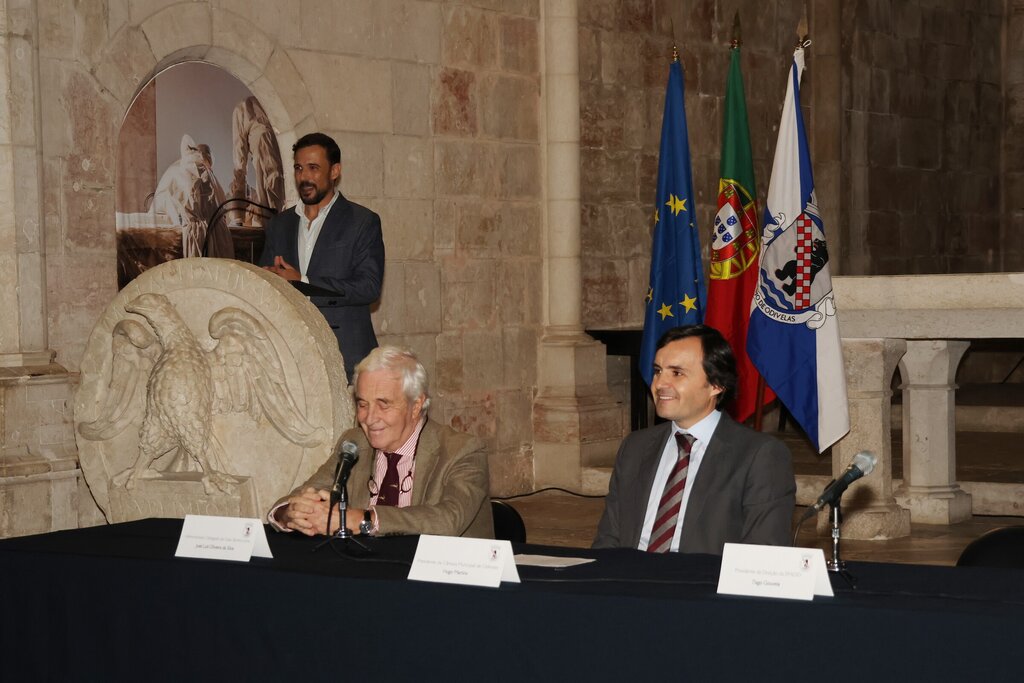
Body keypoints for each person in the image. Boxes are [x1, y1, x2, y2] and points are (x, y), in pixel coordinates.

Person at [593, 324, 795, 555]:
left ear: (716, 385)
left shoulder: (759, 455)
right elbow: (608, 540)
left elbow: (764, 553)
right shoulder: (635, 447)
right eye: (658, 371)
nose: (659, 384)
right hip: (628, 574)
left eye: (677, 373)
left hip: (706, 577)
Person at [268, 346, 493, 539]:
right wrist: (292, 513)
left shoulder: (462, 451)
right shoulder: (354, 443)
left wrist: (361, 519)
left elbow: (448, 520)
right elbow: (299, 496)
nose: (369, 418)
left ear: (416, 406)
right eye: (363, 404)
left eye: (383, 405)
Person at [259, 132, 384, 380]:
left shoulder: (362, 222)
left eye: (313, 168)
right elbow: (266, 286)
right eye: (298, 168)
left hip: (346, 359)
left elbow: (368, 287)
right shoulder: (279, 225)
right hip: (291, 361)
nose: (304, 177)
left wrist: (302, 282)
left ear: (335, 171)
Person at [228, 96, 284, 227]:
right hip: (277, 146)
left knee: (269, 194)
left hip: (263, 147)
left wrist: (238, 217)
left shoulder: (242, 108)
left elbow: (239, 154)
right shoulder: (262, 102)